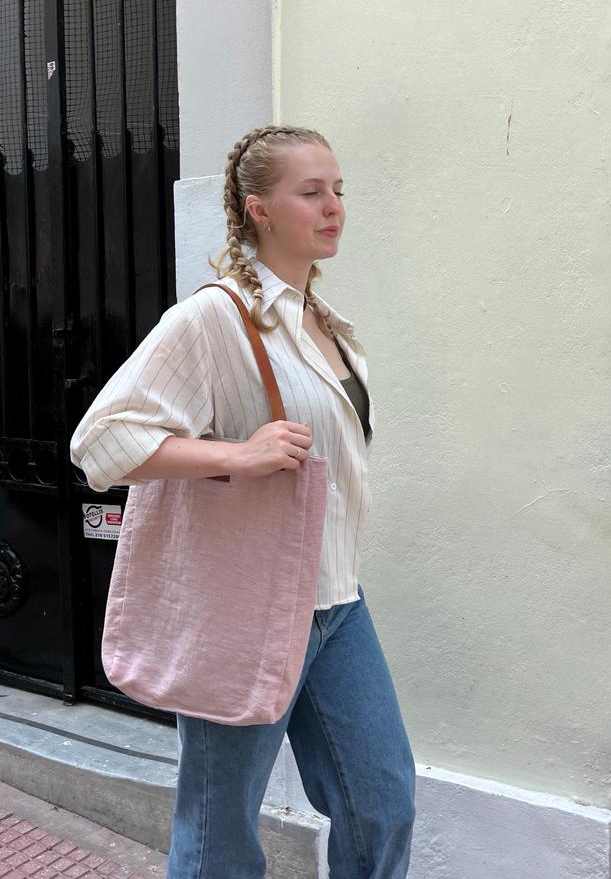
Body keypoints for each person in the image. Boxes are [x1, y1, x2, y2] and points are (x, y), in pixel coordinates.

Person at [70, 125, 416, 878]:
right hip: (246, 611)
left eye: (338, 190)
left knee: (383, 805)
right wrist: (237, 455)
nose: (334, 207)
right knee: (219, 833)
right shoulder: (214, 319)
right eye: (311, 192)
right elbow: (101, 444)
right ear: (258, 209)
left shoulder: (326, 325)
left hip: (337, 604)